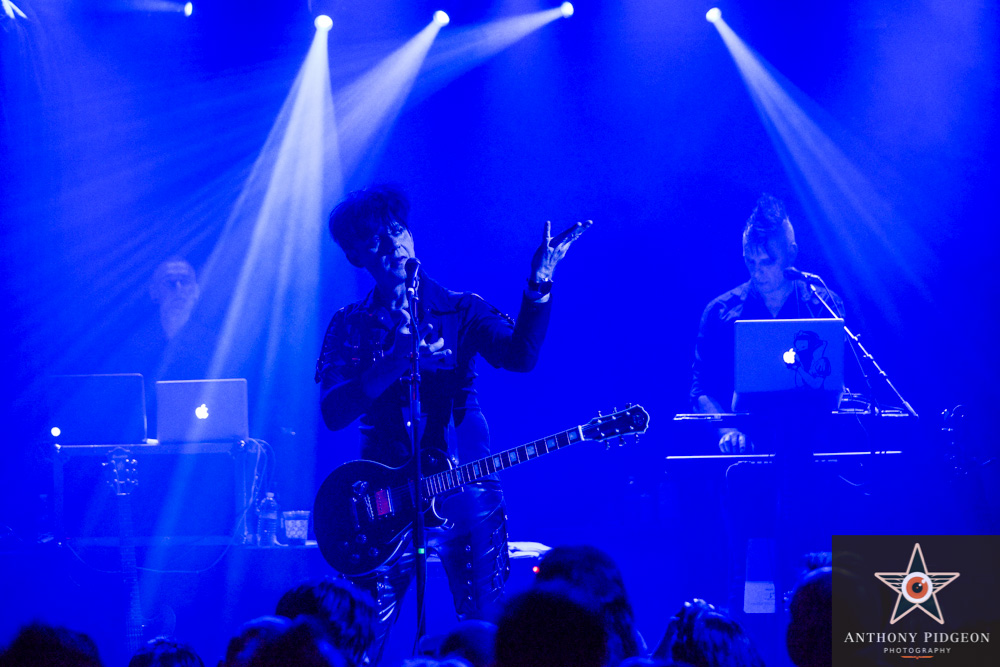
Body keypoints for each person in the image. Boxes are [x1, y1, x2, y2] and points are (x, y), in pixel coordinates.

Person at [314, 187, 590, 638]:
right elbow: (333, 411)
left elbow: (519, 356)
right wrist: (396, 361)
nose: (393, 246)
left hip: (466, 492)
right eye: (376, 239)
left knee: (485, 632)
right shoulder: (349, 324)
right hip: (381, 502)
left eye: (399, 231)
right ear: (354, 254)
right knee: (359, 635)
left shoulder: (461, 309)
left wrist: (539, 283)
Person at [689, 193, 843, 454]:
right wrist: (727, 432)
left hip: (812, 454)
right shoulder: (719, 312)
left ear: (791, 253)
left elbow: (838, 385)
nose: (757, 271)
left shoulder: (822, 306)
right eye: (750, 261)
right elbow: (700, 390)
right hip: (743, 456)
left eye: (767, 262)